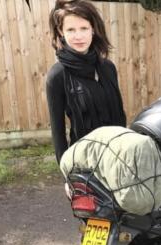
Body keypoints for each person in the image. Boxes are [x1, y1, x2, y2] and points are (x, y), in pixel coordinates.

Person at [46, 0, 126, 163]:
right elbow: (58, 132)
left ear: (93, 30)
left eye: (84, 28)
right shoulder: (57, 75)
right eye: (71, 29)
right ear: (61, 32)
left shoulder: (108, 68)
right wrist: (68, 174)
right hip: (85, 161)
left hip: (118, 155)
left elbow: (119, 114)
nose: (78, 36)